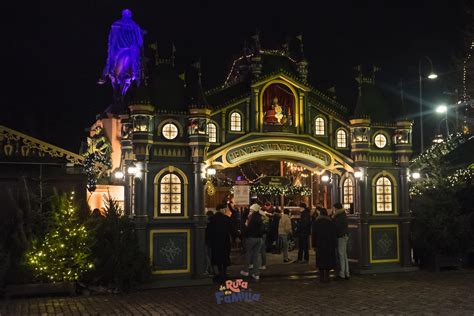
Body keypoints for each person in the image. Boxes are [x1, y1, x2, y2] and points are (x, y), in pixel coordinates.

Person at [207, 204, 237, 282]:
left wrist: (208, 241)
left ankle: (219, 273)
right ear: (221, 209)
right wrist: (235, 237)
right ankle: (224, 273)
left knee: (217, 257)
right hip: (225, 240)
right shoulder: (226, 218)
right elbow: (232, 229)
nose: (225, 210)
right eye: (224, 209)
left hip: (215, 241)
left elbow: (208, 231)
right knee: (225, 256)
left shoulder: (212, 219)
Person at [240, 203, 265, 281]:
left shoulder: (251, 217)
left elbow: (248, 228)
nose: (250, 211)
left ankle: (246, 271)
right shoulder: (260, 217)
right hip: (259, 239)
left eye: (251, 210)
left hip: (251, 238)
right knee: (256, 256)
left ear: (253, 210)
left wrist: (245, 230)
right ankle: (256, 274)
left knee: (248, 254)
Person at [312, 208, 337, 283]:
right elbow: (333, 234)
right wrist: (334, 244)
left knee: (320, 259)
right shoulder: (330, 222)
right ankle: (327, 276)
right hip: (328, 244)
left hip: (319, 244)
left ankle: (321, 276)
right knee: (328, 259)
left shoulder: (316, 222)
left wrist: (314, 245)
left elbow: (314, 234)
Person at [333, 202, 350, 280]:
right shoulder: (343, 215)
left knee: (341, 255)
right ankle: (347, 272)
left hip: (341, 236)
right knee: (344, 255)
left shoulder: (339, 216)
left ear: (336, 208)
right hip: (344, 235)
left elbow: (336, 226)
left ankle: (342, 273)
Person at [204, 210, 216, 276]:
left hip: (207, 240)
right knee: (211, 256)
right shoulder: (215, 221)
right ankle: (212, 270)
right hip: (212, 241)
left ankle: (209, 270)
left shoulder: (207, 222)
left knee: (207, 256)